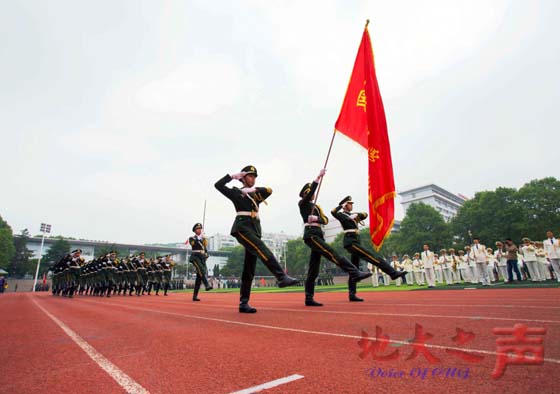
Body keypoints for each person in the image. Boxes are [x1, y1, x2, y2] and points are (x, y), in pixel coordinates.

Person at [215, 165, 298, 313]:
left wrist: (253, 190)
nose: (252, 179)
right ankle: (281, 277)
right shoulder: (236, 192)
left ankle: (243, 303)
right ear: (243, 178)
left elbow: (269, 190)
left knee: (249, 268)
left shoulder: (255, 195)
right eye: (250, 176)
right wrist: (232, 176)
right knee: (262, 248)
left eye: (254, 177)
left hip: (254, 230)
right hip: (242, 228)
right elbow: (218, 185)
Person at [298, 171, 371, 306]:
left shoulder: (316, 207)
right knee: (332, 253)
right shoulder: (303, 203)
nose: (313, 194)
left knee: (313, 269)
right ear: (305, 193)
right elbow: (309, 195)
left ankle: (309, 297)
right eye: (310, 192)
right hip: (311, 235)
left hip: (319, 234)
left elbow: (325, 220)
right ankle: (354, 272)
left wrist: (317, 218)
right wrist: (317, 179)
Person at [331, 195, 405, 301]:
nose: (351, 206)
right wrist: (340, 206)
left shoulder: (353, 215)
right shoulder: (341, 215)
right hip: (350, 242)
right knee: (372, 256)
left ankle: (352, 294)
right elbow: (333, 212)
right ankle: (392, 273)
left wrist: (356, 215)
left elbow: (365, 215)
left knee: (354, 269)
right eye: (349, 204)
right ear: (345, 205)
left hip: (356, 241)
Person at [188, 223, 212, 301]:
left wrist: (206, 254)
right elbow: (193, 244)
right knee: (201, 269)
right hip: (195, 257)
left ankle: (195, 296)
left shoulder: (202, 239)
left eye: (200, 229)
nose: (199, 230)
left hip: (202, 258)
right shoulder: (192, 238)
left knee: (199, 277)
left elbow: (205, 248)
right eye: (198, 229)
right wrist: (199, 238)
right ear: (195, 230)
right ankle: (207, 285)